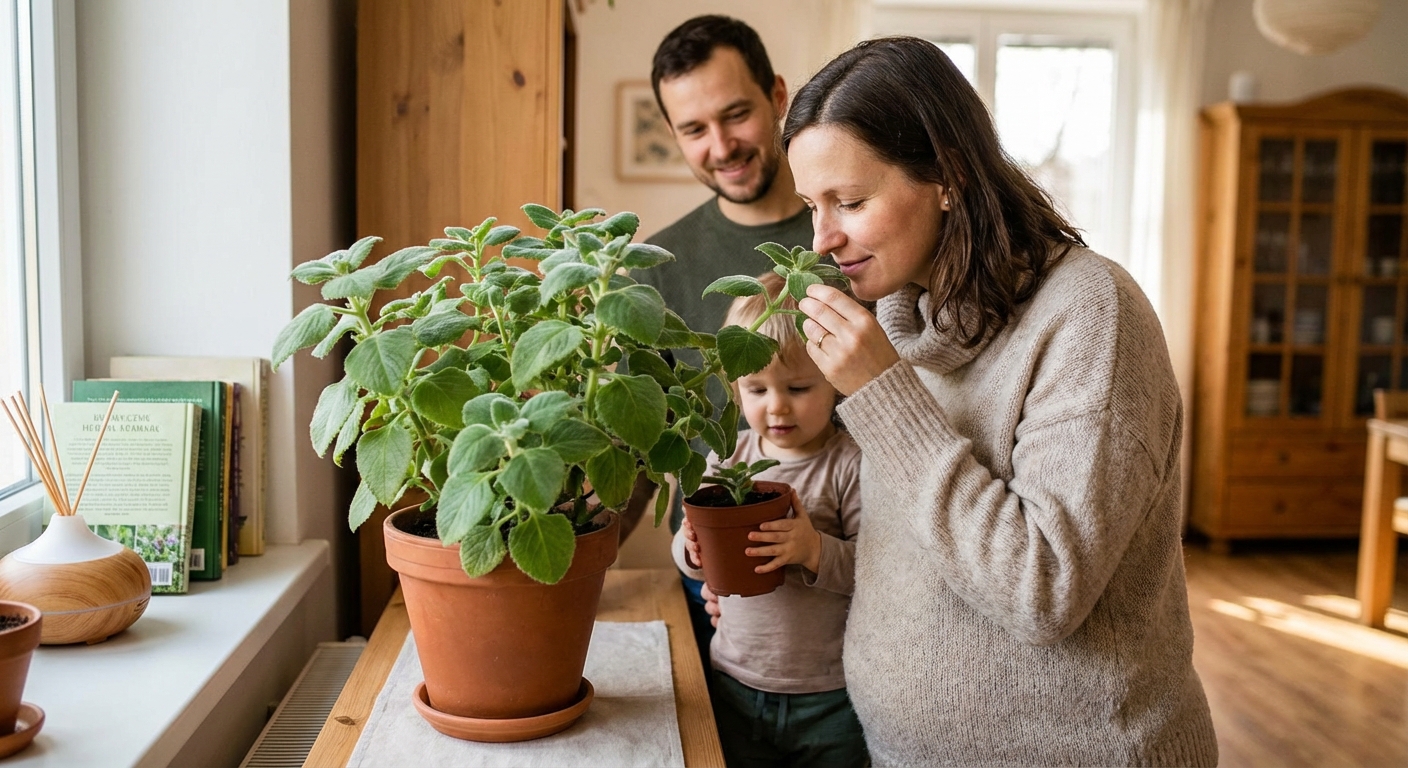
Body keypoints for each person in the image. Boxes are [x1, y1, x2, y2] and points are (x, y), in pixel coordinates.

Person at [770, 37, 1219, 765]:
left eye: (850, 201)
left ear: (947, 176)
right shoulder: (904, 316)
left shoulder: (1091, 315)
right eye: (811, 206)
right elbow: (926, 546)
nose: (823, 238)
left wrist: (884, 396)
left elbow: (1043, 588)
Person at [626, 15, 815, 674]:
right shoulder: (656, 268)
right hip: (712, 581)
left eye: (736, 115)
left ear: (778, 98)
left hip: (848, 573)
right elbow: (638, 451)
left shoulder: (849, 238)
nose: (722, 146)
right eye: (694, 130)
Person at [674, 272, 866, 768]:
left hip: (830, 693)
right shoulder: (725, 458)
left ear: (835, 383)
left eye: (799, 387)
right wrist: (691, 550)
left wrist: (814, 550)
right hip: (735, 680)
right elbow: (693, 565)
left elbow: (878, 572)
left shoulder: (849, 463)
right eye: (757, 389)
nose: (776, 406)